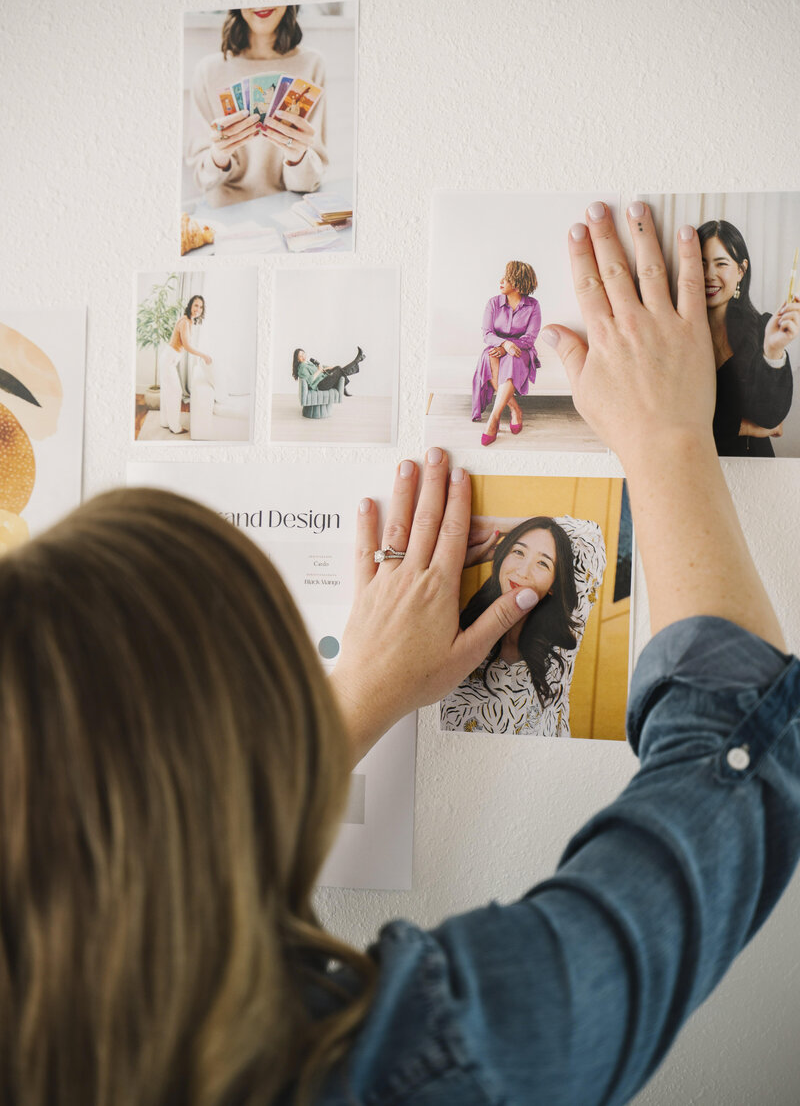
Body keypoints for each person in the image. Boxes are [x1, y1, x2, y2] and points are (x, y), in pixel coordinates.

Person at [2, 203, 800, 1106]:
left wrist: (362, 692)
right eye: (286, 692)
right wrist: (667, 439)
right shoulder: (410, 1065)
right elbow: (736, 748)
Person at [440, 514, 605, 735]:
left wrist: (498, 525)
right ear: (502, 556)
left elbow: (591, 536)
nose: (523, 571)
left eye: (542, 563)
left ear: (553, 586)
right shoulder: (451, 632)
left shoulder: (559, 651)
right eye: (518, 551)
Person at [185, 6, 328, 207]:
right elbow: (203, 180)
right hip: (227, 216)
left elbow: (309, 183)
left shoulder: (312, 64)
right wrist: (220, 155)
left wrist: (297, 156)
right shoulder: (208, 71)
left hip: (289, 212)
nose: (262, 3)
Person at [699, 218, 800, 456]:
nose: (709, 275)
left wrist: (772, 351)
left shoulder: (764, 328)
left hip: (754, 468)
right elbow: (674, 420)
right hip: (697, 466)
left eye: (721, 264)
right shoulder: (677, 333)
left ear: (741, 270)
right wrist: (744, 426)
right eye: (701, 263)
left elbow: (770, 417)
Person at [471, 260, 541, 445]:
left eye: (507, 278)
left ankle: (493, 419)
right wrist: (503, 344)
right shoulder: (493, 303)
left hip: (521, 350)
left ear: (517, 284)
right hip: (496, 346)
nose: (501, 280)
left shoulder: (533, 305)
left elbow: (530, 338)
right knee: (489, 356)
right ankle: (515, 410)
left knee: (513, 359)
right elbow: (487, 334)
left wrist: (508, 347)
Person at [159, 294, 211, 434]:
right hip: (169, 359)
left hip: (169, 359)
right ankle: (175, 427)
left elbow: (187, 345)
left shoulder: (189, 321)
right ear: (190, 306)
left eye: (200, 307)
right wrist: (203, 355)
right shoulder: (185, 322)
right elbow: (187, 346)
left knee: (167, 391)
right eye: (196, 305)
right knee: (176, 391)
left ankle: (165, 422)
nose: (198, 309)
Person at [291, 345, 365, 397]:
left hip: (324, 377)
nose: (303, 356)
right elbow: (309, 381)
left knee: (337, 368)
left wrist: (329, 367)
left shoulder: (308, 362)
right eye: (300, 356)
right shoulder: (302, 368)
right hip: (321, 385)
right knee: (339, 369)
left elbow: (320, 368)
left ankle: (358, 360)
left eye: (303, 354)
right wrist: (319, 371)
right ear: (298, 359)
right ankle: (357, 360)